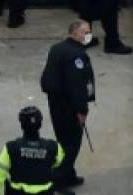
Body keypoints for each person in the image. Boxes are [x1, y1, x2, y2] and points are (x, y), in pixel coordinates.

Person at [40, 20, 95, 192]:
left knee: (64, 141)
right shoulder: (77, 55)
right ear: (74, 33)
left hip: (55, 103)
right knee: (71, 146)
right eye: (85, 32)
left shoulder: (57, 48)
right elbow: (77, 86)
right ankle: (59, 180)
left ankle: (69, 175)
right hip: (69, 107)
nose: (88, 35)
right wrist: (82, 110)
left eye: (89, 31)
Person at [0, 107, 66, 195]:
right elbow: (58, 163)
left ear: (22, 125)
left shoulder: (11, 148)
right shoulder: (54, 147)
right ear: (40, 124)